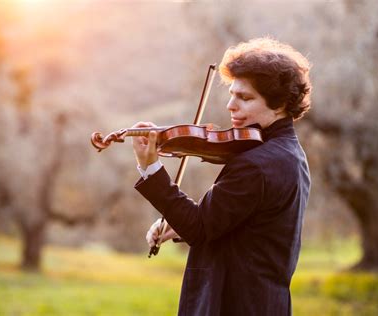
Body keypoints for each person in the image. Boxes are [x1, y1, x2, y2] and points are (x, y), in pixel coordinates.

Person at [132, 37, 311, 316]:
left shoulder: (255, 165)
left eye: (245, 97)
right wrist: (178, 225)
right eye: (232, 93)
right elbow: (249, 226)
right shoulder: (290, 154)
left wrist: (151, 169)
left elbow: (200, 228)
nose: (231, 105)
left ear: (279, 105)